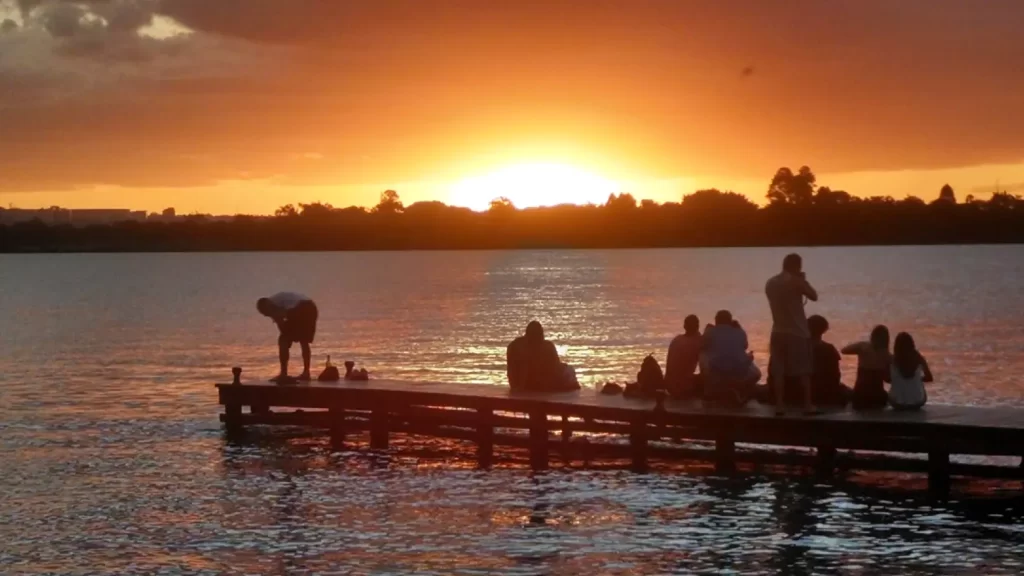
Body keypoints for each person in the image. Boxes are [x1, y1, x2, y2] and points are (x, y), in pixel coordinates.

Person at [765, 253, 818, 415]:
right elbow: (814, 296)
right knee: (804, 371)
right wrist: (803, 280)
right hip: (797, 332)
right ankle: (807, 405)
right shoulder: (796, 282)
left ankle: (780, 405)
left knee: (779, 371)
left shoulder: (771, 282)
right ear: (797, 266)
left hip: (778, 331)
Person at [702, 310, 761, 406]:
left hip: (717, 372)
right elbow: (745, 346)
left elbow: (702, 345)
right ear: (730, 320)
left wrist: (706, 331)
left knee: (702, 353)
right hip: (740, 373)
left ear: (716, 321)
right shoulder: (740, 331)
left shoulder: (710, 331)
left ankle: (708, 392)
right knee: (754, 367)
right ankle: (739, 389)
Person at [257, 292, 318, 382]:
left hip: (302, 308)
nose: (268, 315)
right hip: (311, 308)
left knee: (283, 340)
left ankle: (284, 374)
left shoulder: (275, 304)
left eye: (266, 313)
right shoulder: (275, 301)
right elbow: (284, 321)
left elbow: (286, 318)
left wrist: (284, 333)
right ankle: (306, 373)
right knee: (303, 341)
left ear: (266, 306)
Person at [507, 321, 579, 392]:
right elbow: (555, 367)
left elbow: (511, 369)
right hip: (539, 384)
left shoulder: (514, 345)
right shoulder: (546, 346)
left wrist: (515, 385)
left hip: (523, 384)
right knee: (569, 370)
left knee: (565, 369)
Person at [842, 325, 891, 410]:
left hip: (860, 396)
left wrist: (860, 346)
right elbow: (888, 379)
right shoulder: (888, 356)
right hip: (878, 397)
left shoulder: (863, 347)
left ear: (872, 336)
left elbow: (844, 350)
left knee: (844, 388)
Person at [888, 332, 933, 410]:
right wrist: (918, 379)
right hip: (918, 402)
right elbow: (929, 378)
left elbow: (889, 379)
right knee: (921, 388)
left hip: (897, 403)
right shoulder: (918, 358)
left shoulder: (892, 360)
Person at [664, 314, 704, 398]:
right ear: (697, 326)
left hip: (669, 385)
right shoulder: (697, 341)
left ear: (684, 326)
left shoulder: (676, 340)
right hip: (684, 387)